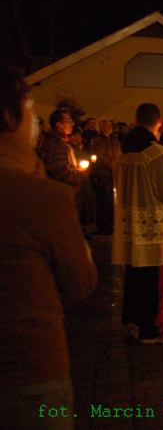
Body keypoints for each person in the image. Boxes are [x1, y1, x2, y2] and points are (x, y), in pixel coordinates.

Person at [0, 67, 97, 429]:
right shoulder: (40, 195)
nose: (36, 126)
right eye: (32, 114)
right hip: (28, 367)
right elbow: (80, 282)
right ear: (11, 117)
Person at [113, 103, 163, 343]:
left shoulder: (124, 151)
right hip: (155, 227)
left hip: (132, 224)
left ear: (136, 120)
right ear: (159, 122)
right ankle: (155, 329)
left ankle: (134, 322)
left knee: (136, 277)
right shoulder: (156, 153)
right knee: (157, 280)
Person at [37, 109, 87, 191]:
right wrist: (81, 174)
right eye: (69, 121)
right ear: (59, 125)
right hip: (60, 191)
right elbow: (61, 173)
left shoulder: (60, 141)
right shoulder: (56, 143)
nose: (72, 124)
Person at [90, 119, 121, 235]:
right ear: (101, 128)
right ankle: (103, 226)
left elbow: (119, 155)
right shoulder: (97, 141)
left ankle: (111, 224)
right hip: (103, 175)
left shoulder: (115, 141)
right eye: (106, 125)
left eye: (110, 125)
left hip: (113, 175)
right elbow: (100, 157)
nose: (109, 127)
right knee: (103, 202)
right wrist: (112, 166)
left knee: (111, 202)